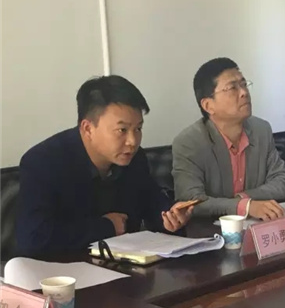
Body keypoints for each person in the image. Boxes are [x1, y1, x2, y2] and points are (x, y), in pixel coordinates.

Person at [16, 75, 193, 258]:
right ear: (88, 128)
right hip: (64, 270)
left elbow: (151, 202)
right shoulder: (43, 162)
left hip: (123, 267)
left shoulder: (134, 158)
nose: (133, 141)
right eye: (122, 130)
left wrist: (170, 218)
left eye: (138, 129)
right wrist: (106, 227)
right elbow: (33, 238)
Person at [172, 57, 285, 220]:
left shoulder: (261, 130)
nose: (244, 92)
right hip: (211, 231)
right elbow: (190, 201)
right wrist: (245, 207)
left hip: (257, 227)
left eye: (244, 84)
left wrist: (243, 199)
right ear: (208, 105)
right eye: (232, 88)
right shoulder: (189, 142)